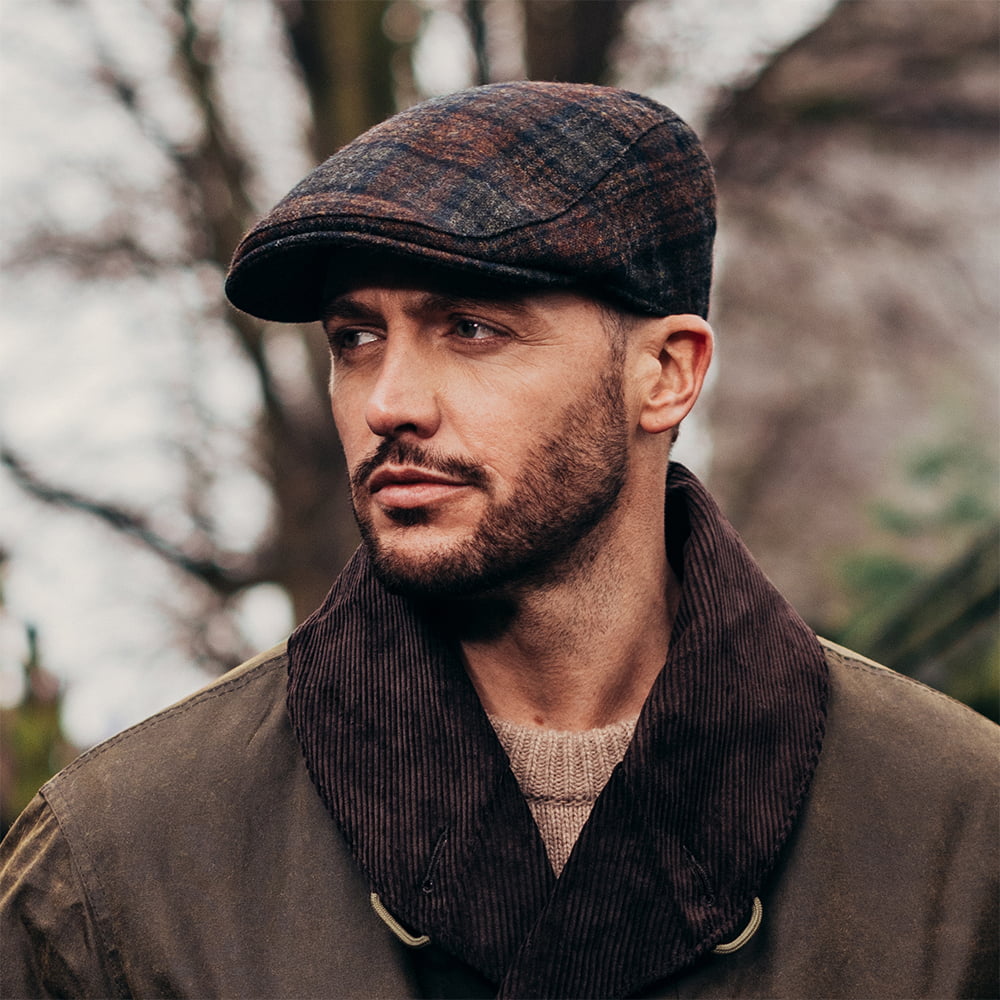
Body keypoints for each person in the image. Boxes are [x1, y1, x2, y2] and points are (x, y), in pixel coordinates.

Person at [1, 81, 996, 1000]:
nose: (388, 402)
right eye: (356, 338)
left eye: (471, 328)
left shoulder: (957, 832)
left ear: (665, 374)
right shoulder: (121, 864)